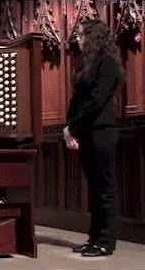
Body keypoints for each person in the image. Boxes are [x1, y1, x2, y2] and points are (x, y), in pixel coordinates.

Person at [63, 19, 122, 257]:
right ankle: (94, 237)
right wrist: (70, 128)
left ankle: (106, 241)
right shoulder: (87, 64)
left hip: (102, 132)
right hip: (86, 132)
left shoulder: (108, 63)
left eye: (81, 34)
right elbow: (77, 101)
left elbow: (96, 101)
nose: (78, 38)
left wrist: (73, 127)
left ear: (94, 36)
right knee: (94, 189)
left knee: (105, 189)